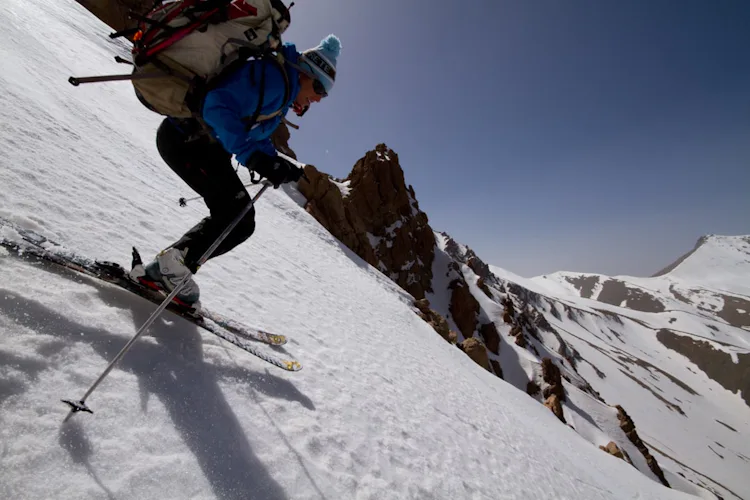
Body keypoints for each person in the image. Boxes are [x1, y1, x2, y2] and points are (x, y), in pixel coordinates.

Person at [140, 35, 342, 309]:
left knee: (238, 217)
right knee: (237, 217)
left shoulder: (279, 88)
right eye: (320, 90)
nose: (318, 100)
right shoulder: (275, 81)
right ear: (308, 75)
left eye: (324, 95)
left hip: (199, 144)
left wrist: (275, 162)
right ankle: (168, 270)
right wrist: (253, 157)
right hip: (186, 141)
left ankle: (169, 268)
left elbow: (252, 132)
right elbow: (217, 105)